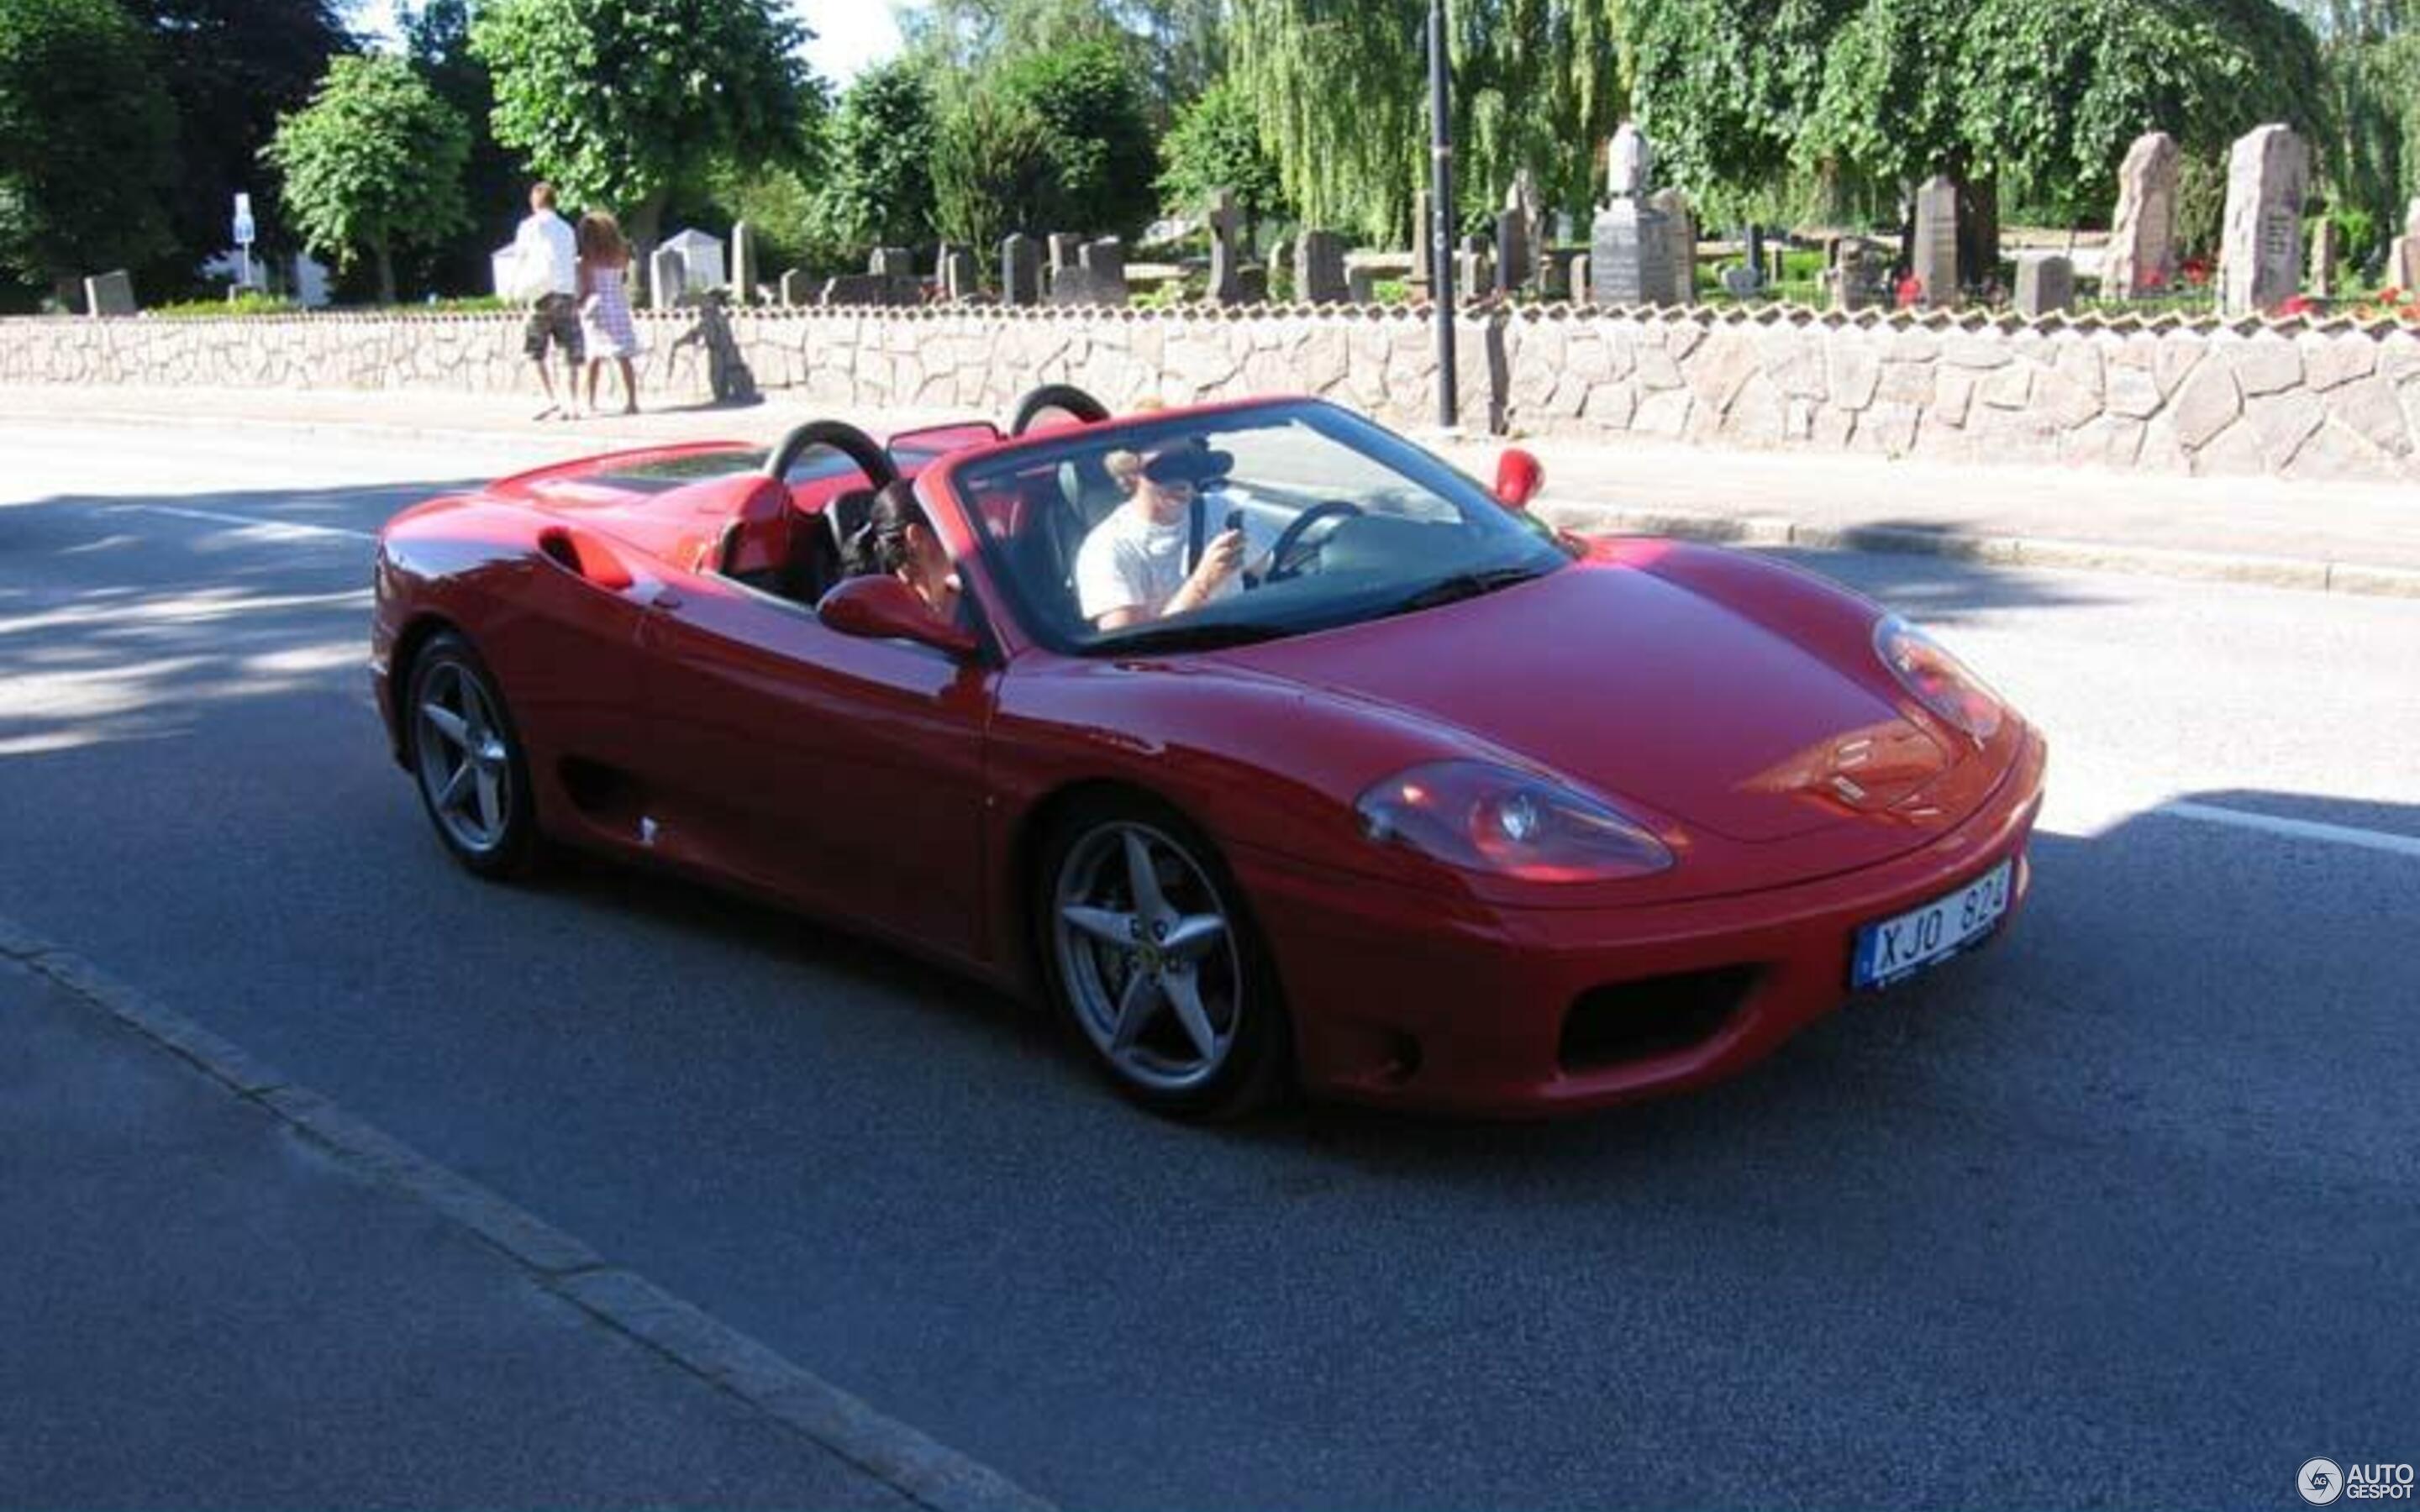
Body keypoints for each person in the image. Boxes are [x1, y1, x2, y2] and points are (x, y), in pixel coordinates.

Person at [1073, 440, 1274, 632]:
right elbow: (1128, 654)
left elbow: (1276, 571)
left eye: (1188, 463)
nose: (1182, 480)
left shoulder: (1225, 512)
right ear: (1131, 472)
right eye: (1166, 467)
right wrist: (1202, 585)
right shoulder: (1107, 548)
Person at [510, 183, 584, 418]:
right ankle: (572, 404)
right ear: (554, 201)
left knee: (535, 351)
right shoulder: (567, 228)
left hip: (539, 294)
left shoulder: (528, 227)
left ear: (535, 202)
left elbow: (520, 259)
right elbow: (572, 259)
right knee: (569, 352)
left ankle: (550, 399)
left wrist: (513, 290)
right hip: (566, 293)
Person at [860, 480, 961, 622]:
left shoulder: (980, 596)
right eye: (950, 525)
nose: (963, 537)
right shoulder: (888, 623)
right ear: (918, 538)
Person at [576, 212, 643, 416]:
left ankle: (590, 401)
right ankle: (632, 401)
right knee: (623, 356)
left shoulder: (587, 259)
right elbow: (621, 278)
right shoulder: (621, 253)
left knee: (594, 355)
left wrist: (577, 304)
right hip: (618, 304)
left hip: (598, 307)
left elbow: (588, 288)